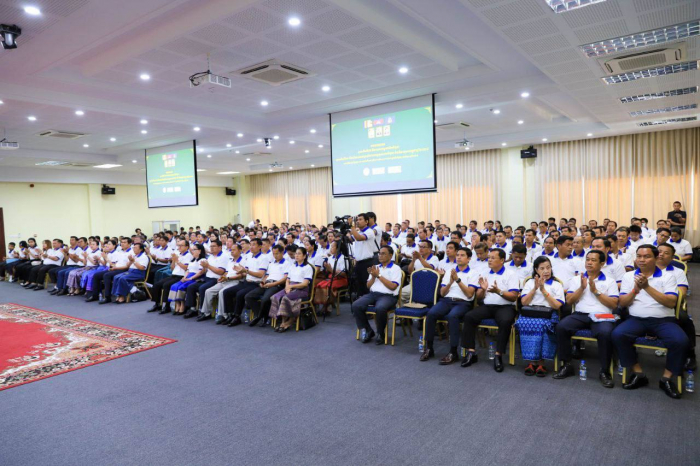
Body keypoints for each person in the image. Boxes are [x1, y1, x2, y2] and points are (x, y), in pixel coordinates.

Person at [611, 245, 688, 399]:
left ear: (656, 258)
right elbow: (623, 303)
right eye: (639, 256)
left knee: (680, 341)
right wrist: (635, 290)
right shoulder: (629, 276)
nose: (642, 260)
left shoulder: (668, 276)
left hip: (663, 320)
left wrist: (646, 287)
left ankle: (666, 378)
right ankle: (638, 373)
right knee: (618, 334)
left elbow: (671, 303)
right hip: (636, 319)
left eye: (646, 257)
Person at [553, 250, 620, 387]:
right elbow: (569, 301)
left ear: (602, 263)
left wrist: (596, 291)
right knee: (561, 327)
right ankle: (566, 365)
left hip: (602, 316)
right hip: (580, 314)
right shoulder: (576, 279)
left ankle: (605, 371)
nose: (589, 262)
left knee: (605, 333)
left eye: (593, 260)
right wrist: (582, 288)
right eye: (587, 259)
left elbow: (613, 304)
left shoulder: (610, 281)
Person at [460, 248, 519, 372]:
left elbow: (514, 296)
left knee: (505, 321)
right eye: (489, 258)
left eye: (493, 258)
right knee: (469, 316)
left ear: (502, 260)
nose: (489, 260)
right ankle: (471, 352)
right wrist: (482, 289)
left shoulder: (511, 274)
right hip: (487, 306)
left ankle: (498, 355)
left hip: (505, 306)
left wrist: (499, 291)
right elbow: (479, 297)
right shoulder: (485, 273)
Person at [420, 247, 478, 364]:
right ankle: (429, 348)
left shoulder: (473, 273)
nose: (459, 257)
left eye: (462, 255)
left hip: (463, 302)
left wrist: (457, 280)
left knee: (453, 316)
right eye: (458, 255)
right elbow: (442, 293)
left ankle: (453, 351)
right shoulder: (449, 272)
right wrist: (450, 282)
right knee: (431, 314)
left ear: (469, 259)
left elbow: (469, 294)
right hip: (446, 300)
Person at [515, 256, 564, 377]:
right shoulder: (529, 282)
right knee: (522, 323)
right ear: (536, 270)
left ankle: (541, 363)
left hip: (549, 315)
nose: (546, 271)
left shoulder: (556, 284)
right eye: (542, 268)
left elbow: (557, 305)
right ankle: (531, 362)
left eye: (548, 267)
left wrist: (543, 290)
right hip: (530, 313)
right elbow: (524, 302)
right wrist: (535, 289)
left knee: (541, 325)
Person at [657, 243, 695, 371]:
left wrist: (663, 295)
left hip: (670, 304)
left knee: (684, 319)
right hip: (645, 304)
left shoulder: (677, 272)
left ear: (672, 257)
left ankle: (690, 354)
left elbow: (682, 293)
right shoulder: (647, 268)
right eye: (659, 251)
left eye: (666, 253)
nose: (661, 254)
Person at [354, 245, 403, 345]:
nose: (380, 256)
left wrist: (378, 276)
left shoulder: (396, 268)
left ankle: (380, 333)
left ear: (390, 255)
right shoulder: (375, 267)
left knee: (380, 308)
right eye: (379, 253)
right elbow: (368, 286)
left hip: (389, 296)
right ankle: (368, 330)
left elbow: (393, 287)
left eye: (383, 254)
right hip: (373, 294)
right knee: (356, 305)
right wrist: (373, 277)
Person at [221, 238, 270, 326]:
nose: (251, 247)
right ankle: (230, 315)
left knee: (240, 294)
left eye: (254, 244)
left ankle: (237, 316)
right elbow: (245, 272)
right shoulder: (249, 257)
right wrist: (240, 271)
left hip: (255, 283)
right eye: (250, 244)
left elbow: (260, 274)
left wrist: (245, 271)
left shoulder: (264, 258)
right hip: (246, 282)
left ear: (260, 246)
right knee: (227, 292)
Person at [268, 246, 315, 332]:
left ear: (304, 256)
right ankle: (283, 321)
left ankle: (289, 321)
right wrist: (287, 287)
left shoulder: (307, 267)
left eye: (299, 254)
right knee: (275, 296)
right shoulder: (293, 266)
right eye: (296, 253)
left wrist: (291, 287)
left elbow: (305, 284)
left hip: (302, 289)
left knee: (285, 298)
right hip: (290, 287)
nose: (296, 255)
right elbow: (288, 279)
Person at [246, 244, 290, 327]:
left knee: (265, 299)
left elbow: (285, 278)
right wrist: (262, 282)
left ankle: (260, 317)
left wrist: (273, 284)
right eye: (273, 254)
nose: (275, 256)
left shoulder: (287, 263)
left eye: (277, 253)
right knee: (249, 296)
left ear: (282, 253)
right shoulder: (271, 263)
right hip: (267, 283)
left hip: (277, 285)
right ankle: (261, 315)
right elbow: (266, 275)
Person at [183, 239, 227, 318]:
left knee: (202, 288)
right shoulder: (210, 257)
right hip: (207, 278)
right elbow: (205, 269)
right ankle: (192, 308)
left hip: (216, 279)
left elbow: (221, 272)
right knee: (191, 287)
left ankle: (204, 311)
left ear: (220, 247)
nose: (211, 248)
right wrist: (204, 268)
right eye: (211, 246)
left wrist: (208, 266)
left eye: (214, 246)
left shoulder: (224, 257)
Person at [149, 239, 192, 313]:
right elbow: (172, 268)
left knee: (166, 285)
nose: (179, 247)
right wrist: (173, 261)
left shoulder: (189, 255)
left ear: (187, 247)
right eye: (178, 245)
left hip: (182, 276)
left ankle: (167, 306)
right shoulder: (178, 254)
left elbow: (186, 268)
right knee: (157, 284)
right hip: (174, 275)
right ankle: (157, 304)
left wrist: (177, 260)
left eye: (181, 245)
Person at [168, 243, 206, 315]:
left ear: (200, 251)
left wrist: (190, 278)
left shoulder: (202, 260)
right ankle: (177, 304)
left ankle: (183, 305)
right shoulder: (192, 260)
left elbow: (201, 272)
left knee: (181, 287)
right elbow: (188, 270)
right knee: (174, 286)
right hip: (188, 276)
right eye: (192, 250)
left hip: (195, 277)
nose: (192, 251)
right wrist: (184, 277)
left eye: (194, 250)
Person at [313, 240, 348, 316]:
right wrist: (326, 269)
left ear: (338, 248)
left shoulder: (343, 258)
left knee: (328, 286)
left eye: (332, 247)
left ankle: (326, 307)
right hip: (332, 277)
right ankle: (326, 304)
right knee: (319, 285)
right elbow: (328, 271)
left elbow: (344, 274)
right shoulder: (330, 258)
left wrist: (331, 270)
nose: (330, 249)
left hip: (341, 279)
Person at [349, 213, 376, 296]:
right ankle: (360, 300)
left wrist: (352, 226)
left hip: (367, 263)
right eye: (357, 220)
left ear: (366, 221)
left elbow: (359, 238)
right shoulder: (358, 232)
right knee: (359, 285)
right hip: (359, 262)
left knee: (366, 285)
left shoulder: (370, 231)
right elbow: (350, 239)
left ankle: (368, 301)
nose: (358, 221)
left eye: (360, 219)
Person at [99, 238, 132, 304]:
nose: (122, 244)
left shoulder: (131, 252)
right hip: (116, 267)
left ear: (129, 244)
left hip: (123, 269)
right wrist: (113, 267)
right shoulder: (120, 252)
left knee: (107, 275)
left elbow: (127, 266)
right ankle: (97, 294)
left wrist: (114, 267)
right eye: (121, 242)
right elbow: (115, 263)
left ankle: (107, 297)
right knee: (97, 275)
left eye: (124, 242)